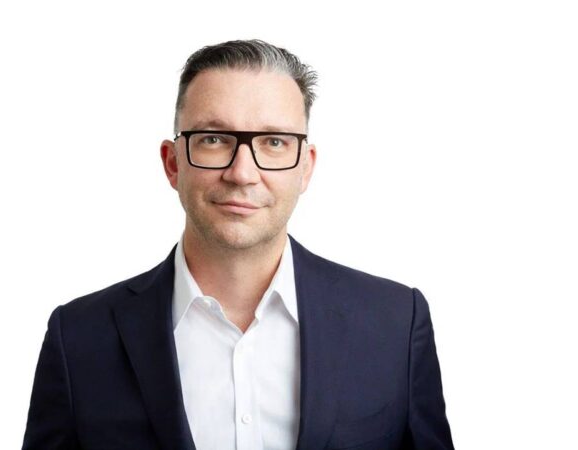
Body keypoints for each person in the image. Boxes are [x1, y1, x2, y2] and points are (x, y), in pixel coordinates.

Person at [22, 39, 453, 450]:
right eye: (213, 139)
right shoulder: (78, 338)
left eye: (274, 142)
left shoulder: (396, 324)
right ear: (172, 164)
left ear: (305, 169)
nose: (242, 173)